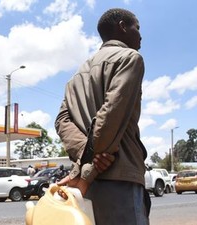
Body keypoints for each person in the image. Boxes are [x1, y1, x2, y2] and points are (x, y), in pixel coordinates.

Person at [54, 8, 150, 225]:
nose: (141, 35)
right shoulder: (130, 58)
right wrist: (90, 166)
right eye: (137, 27)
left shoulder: (77, 75)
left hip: (83, 181)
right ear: (123, 26)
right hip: (118, 175)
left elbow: (62, 120)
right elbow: (111, 113)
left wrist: (82, 158)